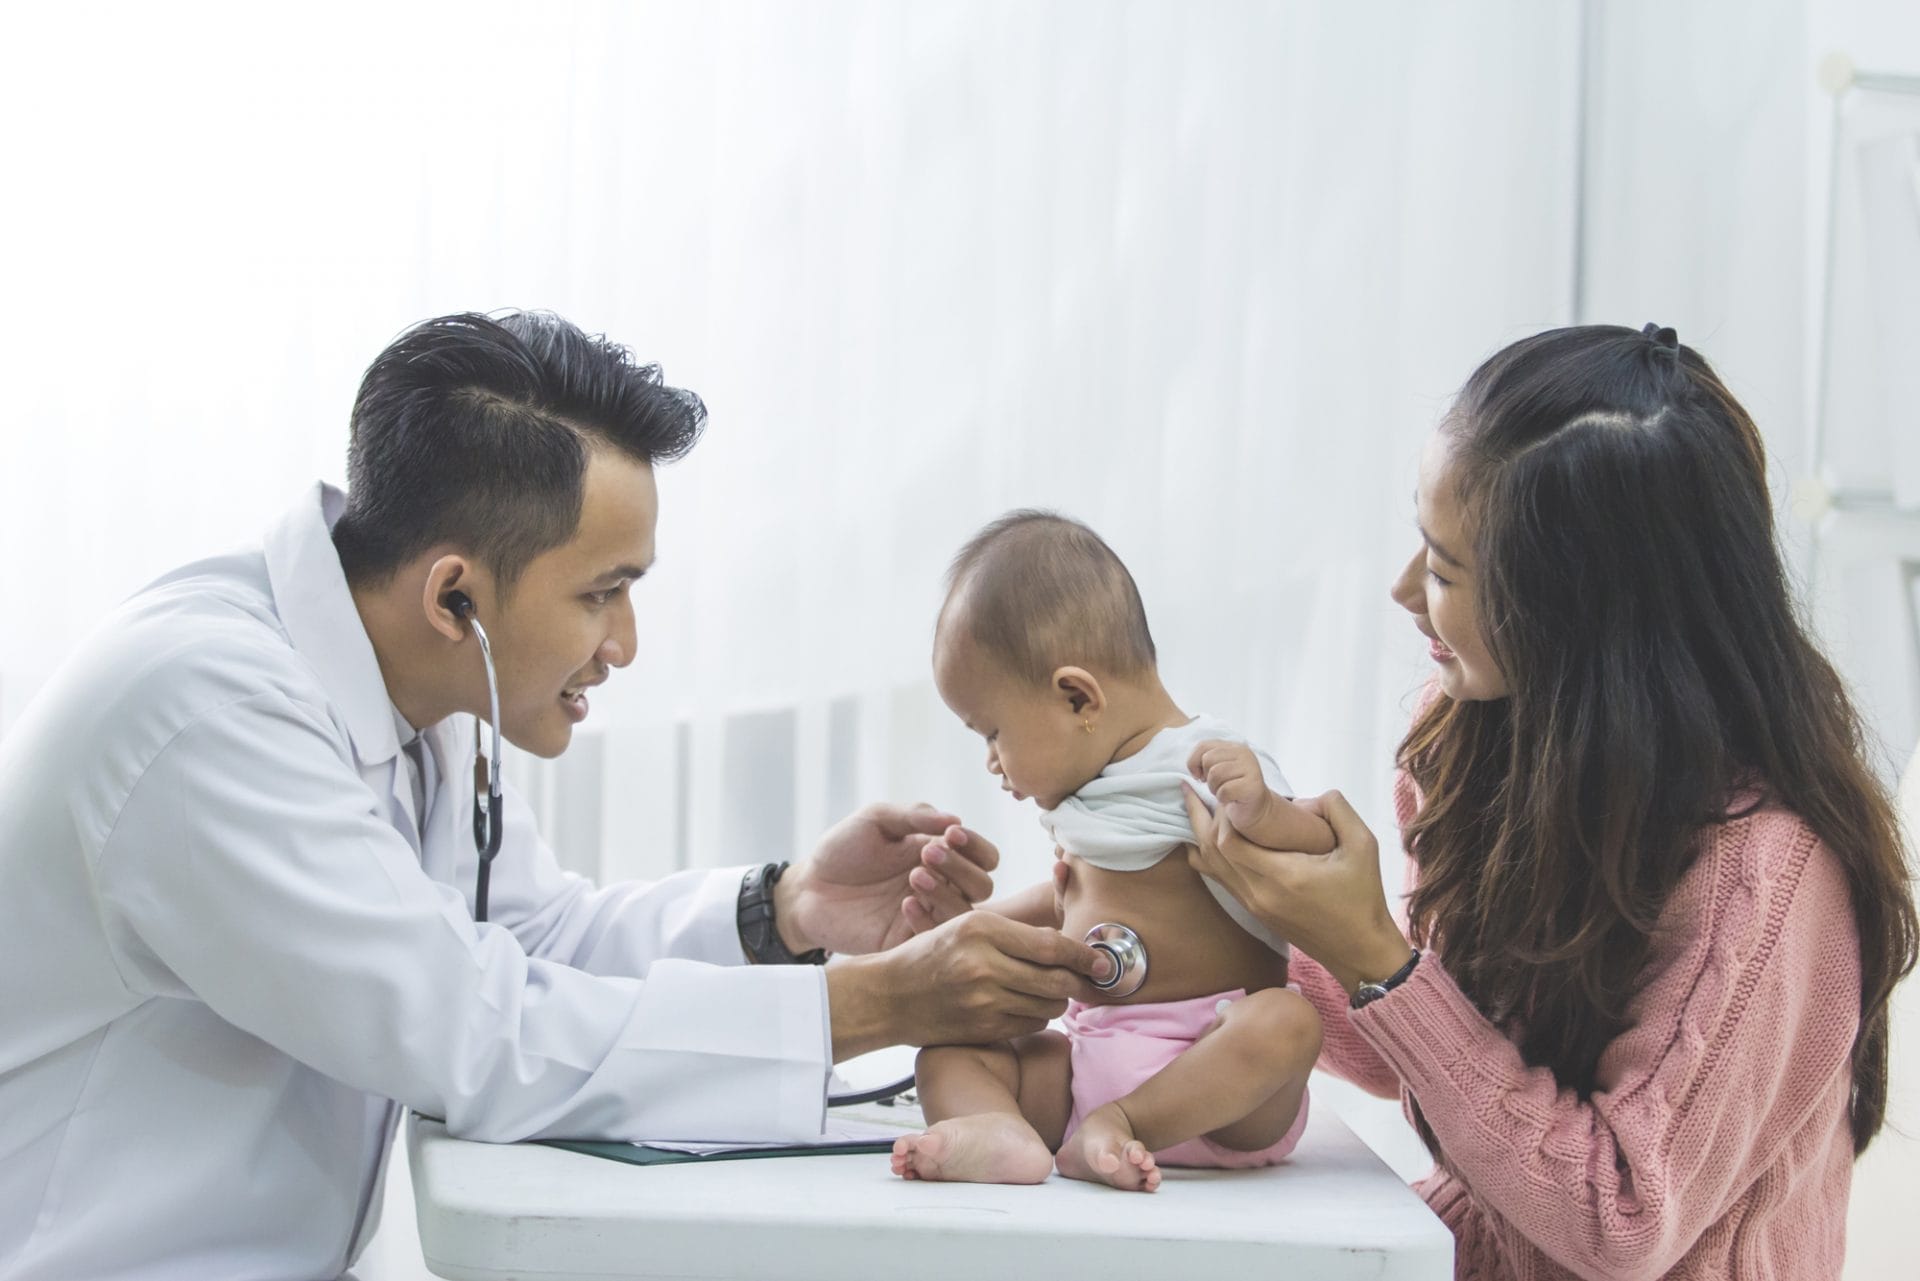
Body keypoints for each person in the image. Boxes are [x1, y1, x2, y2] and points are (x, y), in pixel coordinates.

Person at [0, 312, 1108, 1281]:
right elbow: (475, 1033)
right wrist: (882, 1003)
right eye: (603, 593)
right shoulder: (206, 717)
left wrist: (787, 910)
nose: (624, 644)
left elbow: (535, 936)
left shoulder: (399, 683)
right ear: (456, 597)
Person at [1178, 323, 1919, 1278]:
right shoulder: (1476, 746)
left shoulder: (1768, 881)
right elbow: (1449, 1062)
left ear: (1582, 613)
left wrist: (1377, 957)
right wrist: (1207, 923)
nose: (1406, 590)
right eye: (1421, 540)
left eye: (1446, 571)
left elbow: (1620, 1219)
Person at [891, 512, 1331, 1191]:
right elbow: (1069, 911)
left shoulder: (1206, 762)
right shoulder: (1087, 800)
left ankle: (1123, 1123)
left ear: (1077, 697)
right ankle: (1000, 1130)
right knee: (949, 1047)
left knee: (1290, 1021)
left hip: (1218, 1086)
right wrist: (953, 938)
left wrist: (1267, 812)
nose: (991, 762)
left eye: (993, 732)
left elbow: (1318, 863)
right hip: (1088, 1068)